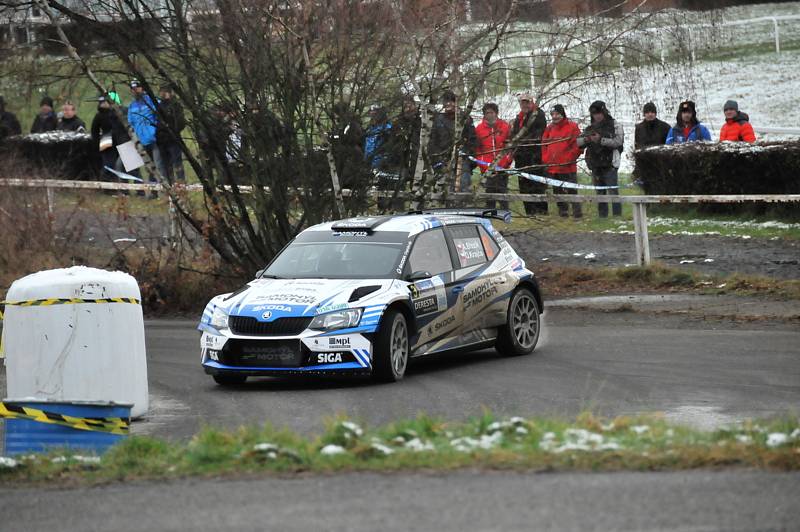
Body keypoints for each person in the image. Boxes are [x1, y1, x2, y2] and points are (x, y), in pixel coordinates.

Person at [576, 100, 624, 218]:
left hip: (610, 164)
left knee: (613, 191)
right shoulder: (590, 128)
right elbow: (578, 142)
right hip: (595, 164)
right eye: (594, 114)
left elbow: (619, 142)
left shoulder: (615, 125)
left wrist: (601, 140)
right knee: (599, 193)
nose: (597, 116)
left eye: (599, 113)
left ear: (604, 112)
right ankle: (603, 215)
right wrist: (587, 139)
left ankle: (617, 216)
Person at [428, 90, 476, 196]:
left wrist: (467, 155)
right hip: (442, 161)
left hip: (461, 161)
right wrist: (437, 158)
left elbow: (472, 140)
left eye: (451, 101)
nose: (448, 103)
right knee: (442, 190)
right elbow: (432, 140)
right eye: (446, 101)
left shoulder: (465, 118)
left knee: (463, 189)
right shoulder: (438, 119)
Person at [542, 104, 582, 218]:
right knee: (557, 190)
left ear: (562, 114)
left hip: (568, 166)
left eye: (557, 114)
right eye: (553, 114)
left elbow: (578, 146)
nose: (555, 117)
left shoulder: (572, 127)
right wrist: (546, 159)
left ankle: (577, 213)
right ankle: (563, 212)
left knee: (572, 190)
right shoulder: (549, 128)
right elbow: (543, 144)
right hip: (553, 166)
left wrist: (569, 158)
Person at [510, 93, 547, 215]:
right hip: (521, 157)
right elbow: (515, 134)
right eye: (522, 102)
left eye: (527, 102)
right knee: (524, 185)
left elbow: (538, 134)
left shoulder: (538, 115)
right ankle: (529, 212)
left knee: (537, 185)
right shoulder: (519, 118)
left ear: (532, 102)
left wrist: (522, 141)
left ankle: (541, 211)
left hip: (534, 156)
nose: (524, 105)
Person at [475, 102, 512, 210]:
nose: (489, 115)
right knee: (489, 192)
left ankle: (505, 212)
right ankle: (490, 212)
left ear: (496, 113)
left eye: (492, 112)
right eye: (487, 113)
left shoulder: (505, 126)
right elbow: (477, 149)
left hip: (502, 166)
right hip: (486, 165)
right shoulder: (479, 129)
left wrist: (507, 161)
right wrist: (481, 162)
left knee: (503, 191)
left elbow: (510, 146)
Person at [127, 79, 161, 196]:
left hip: (155, 139)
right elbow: (130, 122)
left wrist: (157, 132)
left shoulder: (152, 101)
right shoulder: (132, 106)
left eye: (137, 88)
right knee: (149, 167)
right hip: (142, 141)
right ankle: (151, 191)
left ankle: (156, 192)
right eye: (133, 89)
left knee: (156, 166)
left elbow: (160, 115)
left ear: (142, 88)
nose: (135, 91)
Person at [90, 93, 131, 189]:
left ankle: (128, 188)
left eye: (104, 102)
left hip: (122, 140)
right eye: (100, 102)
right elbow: (94, 131)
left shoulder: (122, 112)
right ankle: (108, 187)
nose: (102, 104)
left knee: (128, 166)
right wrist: (97, 144)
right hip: (106, 141)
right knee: (109, 165)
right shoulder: (99, 115)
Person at [155, 84, 186, 184]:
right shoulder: (159, 106)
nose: (163, 94)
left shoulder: (176, 105)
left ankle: (181, 184)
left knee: (177, 163)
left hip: (173, 139)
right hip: (162, 140)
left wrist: (173, 131)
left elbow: (181, 123)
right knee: (166, 165)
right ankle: (170, 184)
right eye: (161, 91)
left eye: (165, 91)